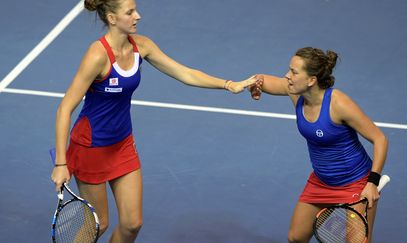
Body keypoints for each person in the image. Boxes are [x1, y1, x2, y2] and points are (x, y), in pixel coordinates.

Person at [50, 0, 256, 242]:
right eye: (130, 12)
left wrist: (229, 84)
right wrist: (61, 164)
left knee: (132, 224)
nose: (138, 16)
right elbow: (65, 108)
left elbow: (185, 73)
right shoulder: (97, 55)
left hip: (122, 143)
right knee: (99, 224)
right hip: (91, 147)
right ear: (112, 18)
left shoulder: (142, 46)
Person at [249, 47, 388, 243]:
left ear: (311, 80)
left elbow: (380, 139)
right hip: (322, 181)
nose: (287, 76)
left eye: (294, 72)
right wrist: (249, 84)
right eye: (289, 70)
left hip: (356, 183)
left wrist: (372, 182)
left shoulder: (338, 104)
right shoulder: (297, 93)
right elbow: (262, 79)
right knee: (296, 237)